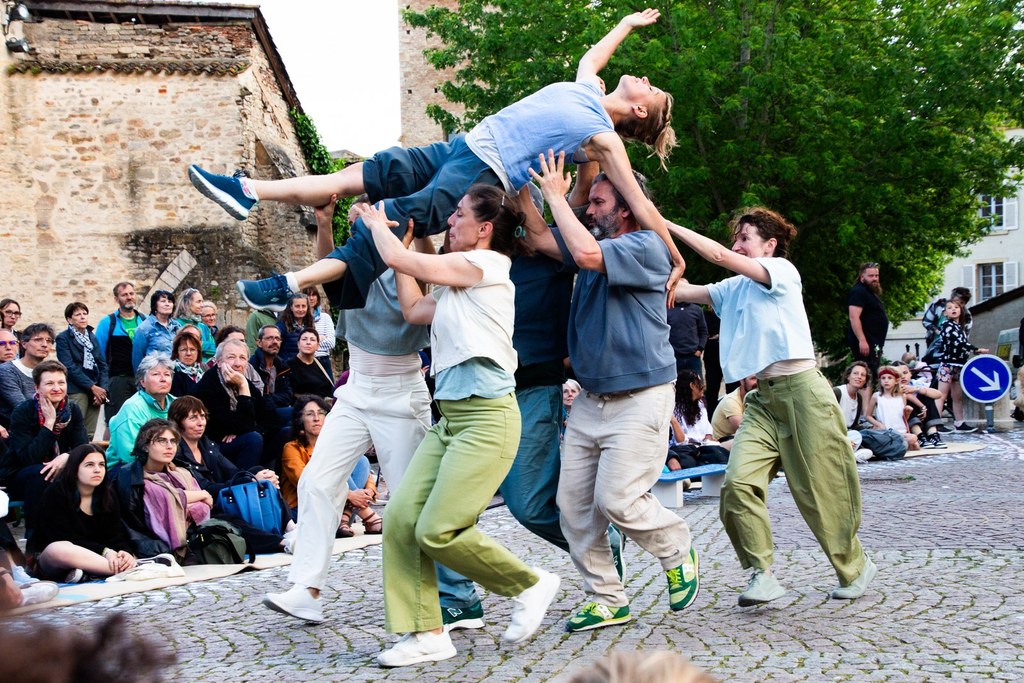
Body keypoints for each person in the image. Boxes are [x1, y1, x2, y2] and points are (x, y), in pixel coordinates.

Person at [190, 9, 683, 314]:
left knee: (394, 216)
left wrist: (675, 256)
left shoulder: (603, 139)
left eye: (651, 89)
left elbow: (640, 205)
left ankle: (291, 284)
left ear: (640, 110)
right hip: (461, 147)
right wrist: (626, 24)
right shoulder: (587, 88)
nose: (644, 79)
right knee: (365, 173)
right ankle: (248, 191)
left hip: (482, 170)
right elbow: (594, 55)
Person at [354, 186, 560, 666]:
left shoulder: (489, 267)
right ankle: (427, 634)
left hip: (487, 417)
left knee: (439, 528)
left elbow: (406, 263)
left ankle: (529, 584)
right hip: (451, 420)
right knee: (401, 519)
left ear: (484, 229)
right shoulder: (458, 285)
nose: (450, 220)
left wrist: (378, 225)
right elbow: (413, 309)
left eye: (459, 214)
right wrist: (404, 247)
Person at [262, 196, 472, 633]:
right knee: (318, 481)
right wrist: (324, 222)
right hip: (356, 390)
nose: (359, 223)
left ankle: (459, 595)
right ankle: (307, 589)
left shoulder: (411, 260)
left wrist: (415, 235)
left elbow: (429, 270)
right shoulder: (354, 264)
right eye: (356, 218)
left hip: (401, 393)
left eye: (369, 216)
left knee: (413, 505)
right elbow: (325, 267)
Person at [668, 206, 874, 605]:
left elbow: (718, 256)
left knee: (822, 489)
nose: (736, 245)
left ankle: (855, 565)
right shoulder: (733, 289)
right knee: (737, 484)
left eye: (745, 238)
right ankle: (761, 574)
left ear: (770, 245)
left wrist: (664, 222)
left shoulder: (782, 272)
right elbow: (682, 291)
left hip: (804, 393)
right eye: (736, 239)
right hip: (762, 400)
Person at [528, 153, 698, 633]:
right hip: (591, 399)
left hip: (641, 396)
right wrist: (522, 183)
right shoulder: (594, 242)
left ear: (626, 208)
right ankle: (607, 598)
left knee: (618, 499)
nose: (589, 208)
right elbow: (540, 238)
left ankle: (675, 547)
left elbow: (584, 254)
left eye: (598, 202)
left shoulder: (647, 246)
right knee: (574, 507)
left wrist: (556, 196)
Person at [26, 444, 137, 583]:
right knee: (59, 549)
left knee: (125, 555)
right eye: (89, 465)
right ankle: (124, 570)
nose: (97, 470)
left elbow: (115, 535)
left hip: (97, 557)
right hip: (53, 559)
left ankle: (98, 570)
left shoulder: (108, 495)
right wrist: (105, 551)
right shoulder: (56, 493)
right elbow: (60, 537)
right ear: (75, 469)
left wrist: (124, 552)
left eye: (101, 465)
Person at [2, 360, 88, 533]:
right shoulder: (23, 412)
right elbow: (28, 457)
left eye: (61, 383)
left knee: (93, 470)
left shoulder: (72, 410)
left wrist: (67, 456)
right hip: (21, 474)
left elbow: (83, 448)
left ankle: (86, 532)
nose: (57, 388)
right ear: (37, 388)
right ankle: (35, 537)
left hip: (60, 469)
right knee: (41, 473)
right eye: (49, 383)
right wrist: (49, 423)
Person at [279, 396, 381, 536]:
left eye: (321, 413)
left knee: (360, 460)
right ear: (300, 420)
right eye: (310, 414)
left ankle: (344, 519)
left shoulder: (335, 447)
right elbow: (306, 483)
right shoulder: (292, 448)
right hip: (307, 510)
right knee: (335, 466)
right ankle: (368, 516)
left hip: (338, 510)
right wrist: (350, 495)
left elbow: (367, 476)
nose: (316, 418)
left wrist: (368, 491)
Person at [114, 419, 211, 560]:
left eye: (173, 441)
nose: (169, 446)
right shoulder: (133, 477)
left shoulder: (181, 473)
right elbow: (164, 498)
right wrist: (201, 495)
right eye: (161, 441)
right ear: (145, 446)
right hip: (151, 546)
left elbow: (204, 507)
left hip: (192, 541)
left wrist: (180, 505)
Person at [192, 339, 265, 469]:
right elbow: (237, 425)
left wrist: (248, 429)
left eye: (242, 358)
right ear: (219, 362)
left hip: (242, 437)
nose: (238, 363)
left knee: (287, 424)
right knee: (253, 438)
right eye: (231, 357)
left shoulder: (244, 381)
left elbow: (270, 416)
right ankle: (243, 479)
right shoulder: (208, 386)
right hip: (214, 446)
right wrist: (243, 388)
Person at [105, 353, 176, 468]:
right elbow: (128, 455)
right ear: (142, 381)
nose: (163, 379)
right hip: (126, 468)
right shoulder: (133, 407)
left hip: (165, 464)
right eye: (156, 374)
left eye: (167, 375)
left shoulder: (176, 404)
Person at [56, 302, 109, 438]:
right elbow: (69, 366)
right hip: (77, 389)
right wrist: (92, 387)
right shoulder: (63, 338)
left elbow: (102, 364)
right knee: (74, 429)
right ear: (69, 320)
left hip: (95, 392)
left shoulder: (91, 337)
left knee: (89, 433)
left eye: (85, 314)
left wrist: (102, 391)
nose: (82, 317)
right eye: (78, 314)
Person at [94, 281, 146, 418]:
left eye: (131, 293)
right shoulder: (107, 323)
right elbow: (98, 355)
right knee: (117, 419)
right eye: (124, 295)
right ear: (116, 299)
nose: (129, 297)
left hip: (143, 380)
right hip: (118, 380)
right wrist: (102, 383)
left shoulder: (144, 321)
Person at [935, 298, 988, 433]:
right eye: (950, 308)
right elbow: (957, 342)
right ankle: (936, 424)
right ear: (945, 313)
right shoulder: (946, 325)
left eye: (956, 307)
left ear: (961, 310)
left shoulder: (960, 327)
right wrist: (975, 349)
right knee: (941, 395)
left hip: (959, 365)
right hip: (947, 365)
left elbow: (961, 343)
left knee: (957, 396)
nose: (953, 309)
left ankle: (959, 423)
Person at [0, 323, 56, 427]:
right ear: (24, 344)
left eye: (49, 341)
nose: (44, 344)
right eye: (38, 340)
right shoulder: (7, 371)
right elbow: (22, 406)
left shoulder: (51, 370)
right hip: (18, 429)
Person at [846, 262, 889, 380]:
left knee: (873, 372)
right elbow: (854, 317)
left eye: (876, 275)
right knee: (866, 373)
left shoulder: (870, 292)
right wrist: (862, 340)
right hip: (866, 343)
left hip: (875, 343)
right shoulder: (858, 292)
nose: (875, 278)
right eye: (871, 276)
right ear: (862, 277)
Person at [864, 367, 919, 451]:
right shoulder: (876, 396)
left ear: (896, 381)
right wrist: (878, 424)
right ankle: (896, 445)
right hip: (885, 432)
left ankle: (895, 445)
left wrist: (907, 412)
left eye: (890, 378)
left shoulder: (902, 396)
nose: (886, 380)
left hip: (901, 432)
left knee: (913, 438)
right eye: (883, 378)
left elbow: (904, 418)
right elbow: (868, 416)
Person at [132, 290, 181, 370]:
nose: (167, 304)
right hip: (156, 373)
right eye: (163, 301)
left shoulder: (177, 326)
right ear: (155, 305)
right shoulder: (144, 329)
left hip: (177, 374)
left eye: (170, 301)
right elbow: (137, 359)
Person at [667, 289, 708, 377]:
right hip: (674, 357)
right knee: (675, 384)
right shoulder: (667, 309)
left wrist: (700, 349)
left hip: (693, 356)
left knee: (697, 384)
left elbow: (704, 332)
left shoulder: (697, 309)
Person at [286, 328, 334, 399]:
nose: (308, 342)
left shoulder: (321, 364)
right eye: (304, 339)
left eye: (312, 340)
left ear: (318, 346)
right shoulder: (289, 366)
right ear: (298, 344)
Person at [922, 286, 973, 353]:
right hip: (933, 345)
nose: (958, 305)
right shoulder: (938, 305)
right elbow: (926, 321)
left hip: (953, 350)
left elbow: (965, 337)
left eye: (962, 303)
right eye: (956, 301)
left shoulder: (967, 316)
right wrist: (937, 331)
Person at [711, 375, 757, 447]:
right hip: (721, 446)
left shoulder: (757, 397)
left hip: (739, 440)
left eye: (759, 378)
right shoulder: (731, 401)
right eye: (753, 378)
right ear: (742, 381)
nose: (757, 382)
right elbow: (745, 430)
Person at [172, 288, 216, 363]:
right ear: (187, 303)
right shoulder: (176, 324)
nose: (202, 305)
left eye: (202, 301)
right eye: (198, 302)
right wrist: (201, 345)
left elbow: (214, 349)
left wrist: (200, 344)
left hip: (204, 367)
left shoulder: (203, 327)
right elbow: (178, 348)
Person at [303, 286, 336, 380]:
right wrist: (319, 338)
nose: (311, 298)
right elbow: (298, 343)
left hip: (323, 360)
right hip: (304, 361)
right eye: (308, 295)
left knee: (328, 388)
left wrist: (309, 343)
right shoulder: (301, 318)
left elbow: (331, 343)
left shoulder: (325, 318)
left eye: (314, 295)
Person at [275, 293, 314, 363]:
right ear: (291, 307)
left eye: (303, 306)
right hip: (287, 366)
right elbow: (274, 350)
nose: (301, 309)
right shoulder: (282, 326)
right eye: (297, 306)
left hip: (304, 366)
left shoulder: (309, 325)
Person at [169, 328, 205, 397]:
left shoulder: (203, 371)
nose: (188, 353)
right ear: (176, 352)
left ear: (198, 352)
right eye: (184, 350)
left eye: (192, 349)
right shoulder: (172, 373)